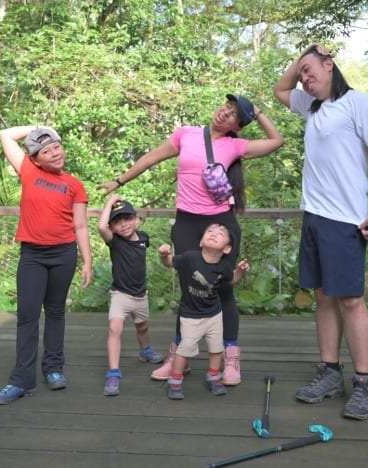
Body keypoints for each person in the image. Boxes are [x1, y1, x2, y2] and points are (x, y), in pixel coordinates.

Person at [98, 93, 283, 386]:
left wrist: (256, 111)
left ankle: (230, 358)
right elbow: (150, 158)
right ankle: (178, 360)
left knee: (223, 288)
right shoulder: (186, 134)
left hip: (220, 223)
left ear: (237, 126)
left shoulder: (235, 145)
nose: (225, 112)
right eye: (226, 106)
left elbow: (276, 141)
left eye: (234, 114)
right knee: (189, 291)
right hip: (186, 224)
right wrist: (119, 181)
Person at [273, 44, 368, 420]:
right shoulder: (311, 106)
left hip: (346, 220)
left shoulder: (360, 104)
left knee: (350, 301)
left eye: (310, 70)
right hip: (314, 217)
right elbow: (280, 90)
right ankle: (329, 373)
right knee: (323, 297)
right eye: (301, 73)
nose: (304, 78)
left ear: (330, 66)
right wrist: (303, 56)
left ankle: (364, 383)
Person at [0, 125, 93, 405]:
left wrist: (87, 260)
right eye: (47, 151)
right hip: (33, 255)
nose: (55, 153)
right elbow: (5, 135)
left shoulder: (74, 184)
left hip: (64, 254)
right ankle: (21, 381)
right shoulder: (28, 170)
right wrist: (38, 128)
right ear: (35, 159)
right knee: (27, 315)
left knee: (56, 312)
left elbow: (81, 225)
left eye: (57, 146)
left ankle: (54, 369)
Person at [157, 223, 250, 399]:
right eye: (210, 231)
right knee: (185, 349)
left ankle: (213, 376)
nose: (214, 233)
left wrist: (240, 271)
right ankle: (175, 379)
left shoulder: (223, 266)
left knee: (216, 349)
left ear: (227, 249)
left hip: (214, 314)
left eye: (220, 233)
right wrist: (163, 255)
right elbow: (169, 263)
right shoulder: (189, 258)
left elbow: (232, 279)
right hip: (190, 316)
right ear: (201, 241)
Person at [96, 195, 164, 396]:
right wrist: (110, 202)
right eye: (117, 222)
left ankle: (145, 350)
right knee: (114, 328)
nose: (123, 225)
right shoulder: (115, 242)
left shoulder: (144, 238)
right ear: (112, 227)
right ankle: (113, 373)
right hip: (121, 294)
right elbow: (101, 228)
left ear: (136, 219)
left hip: (140, 295)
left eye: (127, 219)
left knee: (142, 327)